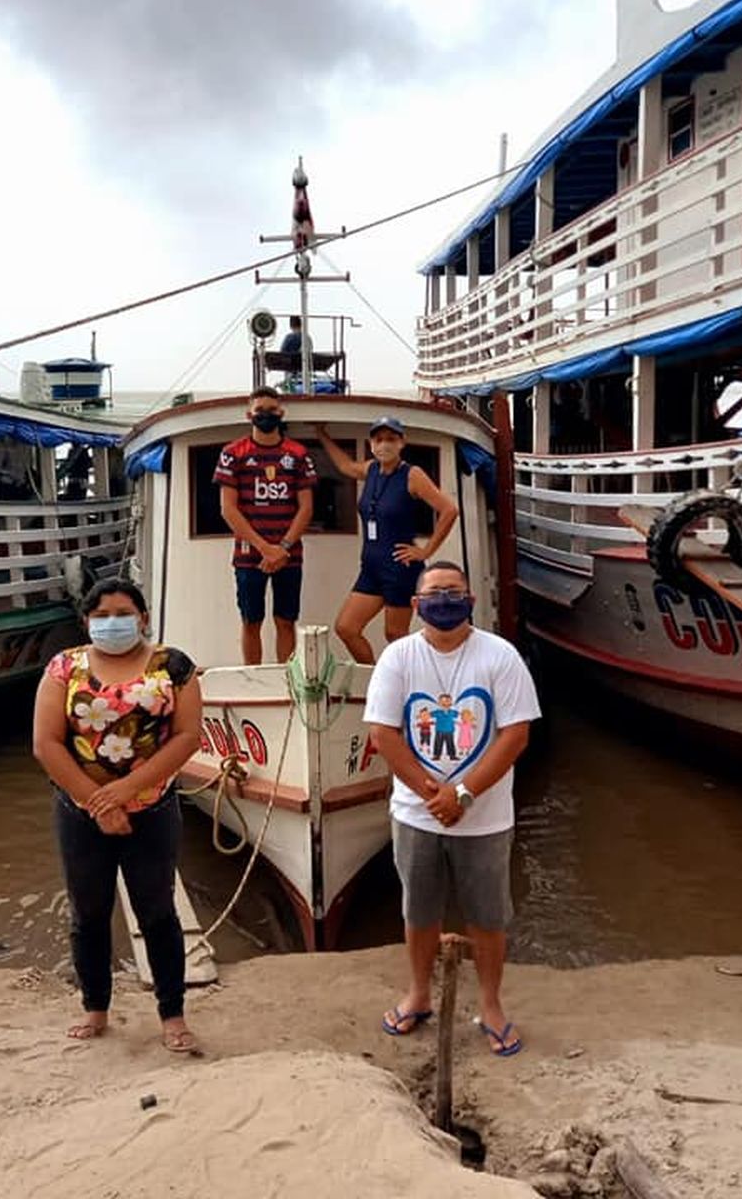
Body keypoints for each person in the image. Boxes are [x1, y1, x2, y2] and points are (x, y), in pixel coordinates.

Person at [365, 561, 541, 1058]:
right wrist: (431, 794)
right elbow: (383, 733)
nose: (445, 600)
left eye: (454, 591)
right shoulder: (398, 657)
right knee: (418, 911)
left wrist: (461, 793)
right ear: (417, 604)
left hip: (485, 817)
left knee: (488, 916)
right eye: (435, 592)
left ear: (471, 600)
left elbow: (515, 734)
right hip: (416, 814)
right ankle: (418, 992)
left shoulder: (501, 656)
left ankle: (490, 1005)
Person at [32, 579, 203, 1054]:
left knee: (158, 912)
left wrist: (126, 791)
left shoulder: (173, 666)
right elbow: (46, 743)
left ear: (143, 618)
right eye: (101, 614)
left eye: (123, 612)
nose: (112, 622)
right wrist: (96, 802)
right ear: (87, 621)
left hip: (152, 809)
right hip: (79, 810)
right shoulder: (64, 667)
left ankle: (172, 1014)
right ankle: (95, 1007)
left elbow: (187, 736)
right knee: (88, 912)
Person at [314, 416, 459, 664]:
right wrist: (322, 435)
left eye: (391, 439)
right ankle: (376, 678)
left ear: (401, 443)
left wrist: (425, 551)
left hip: (399, 568)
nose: (384, 445)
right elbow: (346, 467)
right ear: (372, 444)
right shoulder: (371, 469)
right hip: (371, 568)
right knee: (346, 628)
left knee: (395, 635)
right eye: (379, 439)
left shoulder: (413, 475)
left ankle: (406, 684)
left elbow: (449, 510)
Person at [213, 387, 317, 665]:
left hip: (289, 555)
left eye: (272, 411)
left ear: (281, 413)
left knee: (286, 620)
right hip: (248, 555)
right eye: (260, 411)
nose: (266, 416)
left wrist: (281, 548)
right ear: (249, 415)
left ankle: (287, 680)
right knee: (251, 621)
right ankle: (253, 679)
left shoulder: (297, 454)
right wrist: (264, 548)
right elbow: (228, 509)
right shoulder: (232, 453)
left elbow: (306, 507)